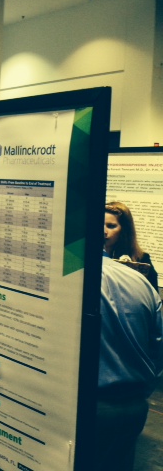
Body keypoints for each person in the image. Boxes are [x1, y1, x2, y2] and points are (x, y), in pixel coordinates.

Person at [95, 252, 163, 470]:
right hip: (134, 406)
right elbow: (158, 347)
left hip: (88, 406)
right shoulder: (139, 281)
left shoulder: (70, 281)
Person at [104, 201, 158, 289]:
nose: (104, 231)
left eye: (111, 226)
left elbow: (152, 297)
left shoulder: (141, 259)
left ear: (124, 230)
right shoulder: (84, 257)